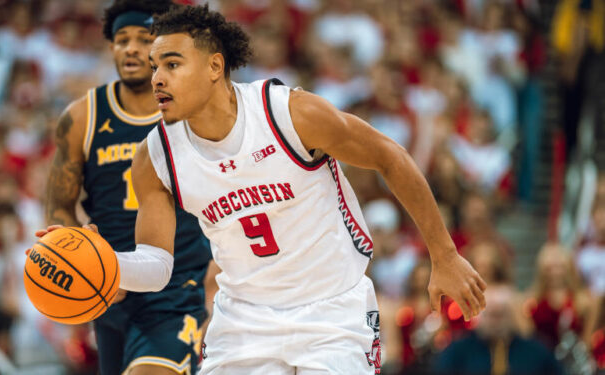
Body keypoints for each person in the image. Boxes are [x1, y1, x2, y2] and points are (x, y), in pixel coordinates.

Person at [40, 4, 486, 374]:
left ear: (215, 66)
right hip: (245, 319)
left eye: (172, 64)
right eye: (156, 67)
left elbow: (390, 156)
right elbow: (158, 265)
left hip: (333, 310)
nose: (157, 78)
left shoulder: (288, 113)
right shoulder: (155, 156)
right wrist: (108, 263)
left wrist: (443, 254)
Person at [43, 1, 212, 374]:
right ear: (112, 48)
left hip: (177, 287)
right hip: (110, 286)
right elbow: (59, 206)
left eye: (143, 38)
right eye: (122, 40)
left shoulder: (189, 113)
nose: (132, 48)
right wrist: (84, 261)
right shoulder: (82, 117)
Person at [434, 284, 562, 375]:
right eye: (491, 315)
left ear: (511, 317)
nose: (495, 322)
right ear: (479, 316)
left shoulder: (537, 352)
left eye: (501, 314)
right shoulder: (457, 352)